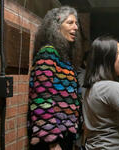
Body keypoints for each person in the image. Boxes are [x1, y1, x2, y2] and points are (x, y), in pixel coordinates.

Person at [28, 6, 82, 150]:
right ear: (56, 27)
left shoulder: (64, 57)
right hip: (52, 138)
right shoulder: (48, 53)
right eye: (70, 23)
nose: (76, 27)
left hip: (65, 135)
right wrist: (52, 141)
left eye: (76, 23)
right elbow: (41, 96)